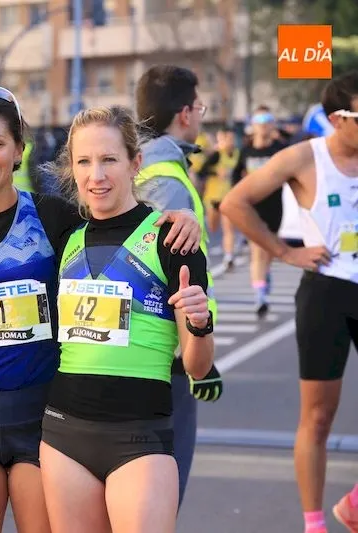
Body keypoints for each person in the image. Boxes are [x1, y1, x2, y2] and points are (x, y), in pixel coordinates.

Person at [0, 85, 201, 533]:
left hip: (47, 423)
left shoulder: (55, 219)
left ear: (19, 150)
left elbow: (114, 231)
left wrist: (180, 216)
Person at [38, 105, 214, 533]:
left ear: (135, 163)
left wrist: (200, 322)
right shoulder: (65, 236)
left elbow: (197, 365)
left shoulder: (173, 240)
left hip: (140, 438)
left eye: (109, 160)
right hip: (64, 435)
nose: (96, 175)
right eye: (84, 161)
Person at [221, 72, 358, 533]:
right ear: (338, 119)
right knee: (318, 417)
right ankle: (314, 523)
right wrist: (285, 252)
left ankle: (355, 504)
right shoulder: (305, 157)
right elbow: (235, 203)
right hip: (327, 292)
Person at [133, 64, 223, 507]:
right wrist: (195, 354)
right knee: (160, 500)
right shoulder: (167, 180)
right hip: (165, 359)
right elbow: (166, 275)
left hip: (148, 355)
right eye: (200, 107)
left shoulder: (145, 168)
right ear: (185, 114)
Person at [230, 105, 288, 317]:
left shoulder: (279, 149)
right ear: (252, 126)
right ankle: (260, 296)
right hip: (252, 209)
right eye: (259, 121)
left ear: (272, 124)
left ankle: (265, 276)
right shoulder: (246, 151)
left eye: (267, 121)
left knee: (269, 250)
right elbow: (235, 176)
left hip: (275, 207)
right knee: (257, 251)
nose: (263, 126)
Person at [198, 126, 240, 269]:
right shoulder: (216, 155)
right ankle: (207, 252)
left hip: (230, 197)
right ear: (220, 139)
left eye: (231, 138)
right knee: (213, 227)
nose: (229, 142)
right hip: (213, 197)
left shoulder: (237, 155)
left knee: (229, 228)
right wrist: (216, 174)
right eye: (225, 138)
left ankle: (229, 257)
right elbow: (201, 172)